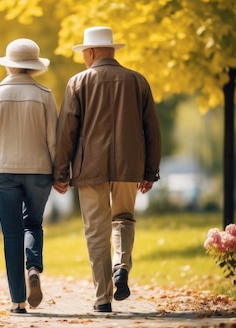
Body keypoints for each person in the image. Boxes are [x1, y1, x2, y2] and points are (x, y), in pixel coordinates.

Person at [53, 26, 162, 313]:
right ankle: (121, 266)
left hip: (90, 168)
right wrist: (150, 171)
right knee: (124, 218)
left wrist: (61, 173)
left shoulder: (78, 82)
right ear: (112, 50)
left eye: (83, 54)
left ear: (89, 53)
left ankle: (103, 298)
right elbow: (152, 129)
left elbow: (67, 131)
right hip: (129, 166)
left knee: (95, 229)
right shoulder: (138, 81)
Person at [0, 38, 58, 314]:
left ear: (9, 65)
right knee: (33, 223)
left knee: (11, 234)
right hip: (39, 171)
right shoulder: (45, 94)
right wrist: (58, 174)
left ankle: (18, 301)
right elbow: (54, 141)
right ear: (33, 67)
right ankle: (33, 266)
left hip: (2, 172)